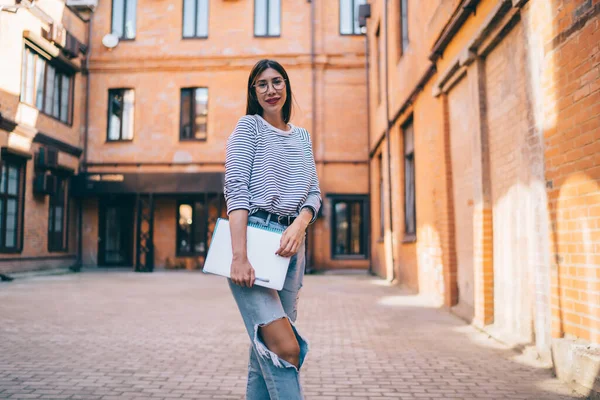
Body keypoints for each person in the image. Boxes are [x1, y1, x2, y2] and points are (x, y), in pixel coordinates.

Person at [224, 59, 321, 399]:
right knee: (286, 350)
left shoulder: (302, 136)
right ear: (253, 92)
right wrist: (239, 256)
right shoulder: (249, 127)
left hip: (292, 247)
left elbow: (313, 193)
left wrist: (299, 223)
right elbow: (236, 189)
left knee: (263, 354)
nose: (270, 90)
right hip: (255, 242)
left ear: (287, 86)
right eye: (262, 84)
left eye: (277, 81)